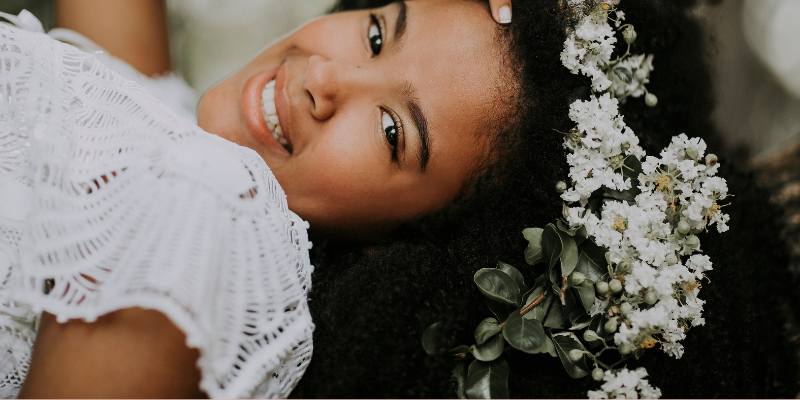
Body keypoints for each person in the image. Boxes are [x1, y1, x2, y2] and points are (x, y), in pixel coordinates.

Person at [0, 1, 797, 399]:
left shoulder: (204, 211)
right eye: (379, 35)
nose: (323, 79)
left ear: (399, 251)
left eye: (391, 132)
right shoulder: (169, 131)